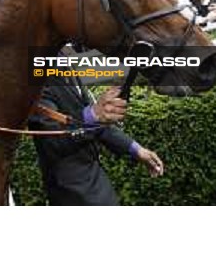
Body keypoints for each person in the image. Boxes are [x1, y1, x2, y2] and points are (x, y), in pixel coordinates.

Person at [28, 75, 164, 206]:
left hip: (93, 181)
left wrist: (136, 149)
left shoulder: (63, 58)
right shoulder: (34, 77)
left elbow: (96, 123)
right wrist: (93, 114)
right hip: (74, 192)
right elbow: (52, 141)